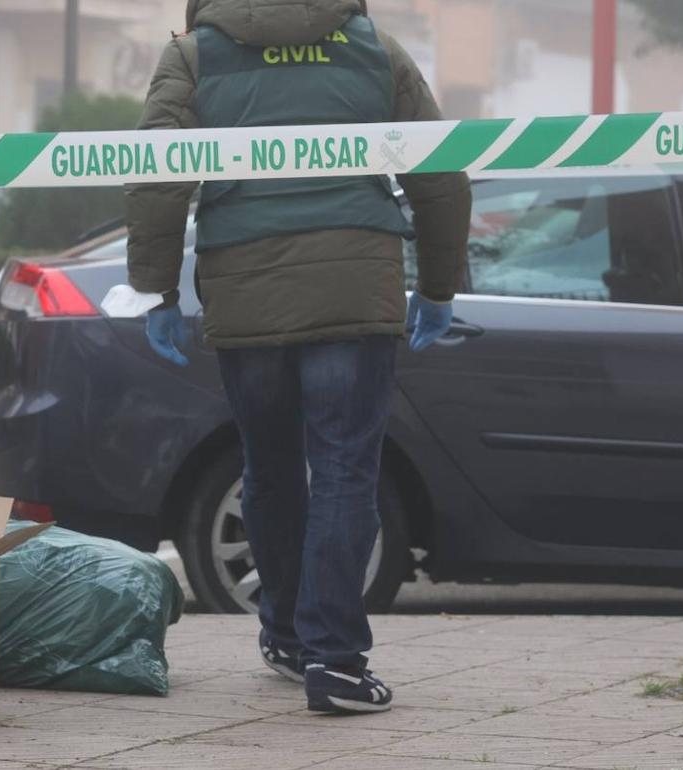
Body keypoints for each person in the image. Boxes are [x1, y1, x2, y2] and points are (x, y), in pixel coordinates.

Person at [124, 0, 471, 714]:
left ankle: (284, 635)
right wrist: (438, 285)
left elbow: (158, 178)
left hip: (245, 289)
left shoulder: (194, 57)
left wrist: (156, 290)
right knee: (345, 470)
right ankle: (336, 661)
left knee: (269, 467)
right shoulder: (377, 50)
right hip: (354, 283)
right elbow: (438, 174)